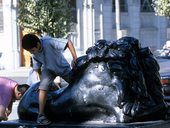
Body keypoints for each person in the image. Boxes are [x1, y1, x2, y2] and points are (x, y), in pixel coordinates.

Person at [22, 34, 77, 125]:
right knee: (42, 89)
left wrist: (75, 58)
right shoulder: (34, 54)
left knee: (75, 84)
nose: (32, 52)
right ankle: (41, 115)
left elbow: (68, 42)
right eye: (30, 51)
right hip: (48, 70)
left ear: (38, 44)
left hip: (62, 67)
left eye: (32, 50)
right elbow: (38, 69)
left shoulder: (49, 42)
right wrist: (41, 82)